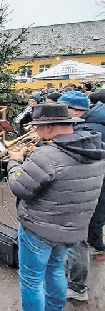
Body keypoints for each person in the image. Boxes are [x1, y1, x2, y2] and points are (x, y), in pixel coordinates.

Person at [7, 102, 105, 311]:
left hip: (40, 228)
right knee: (56, 269)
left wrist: (14, 162)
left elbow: (19, 187)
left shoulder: (47, 155)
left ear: (49, 127)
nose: (35, 130)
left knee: (32, 279)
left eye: (37, 126)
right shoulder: (94, 149)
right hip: (71, 226)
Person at [58, 91, 105, 300]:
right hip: (90, 187)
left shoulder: (91, 130)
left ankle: (77, 287)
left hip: (86, 189)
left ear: (76, 111)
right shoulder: (92, 124)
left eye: (62, 110)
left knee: (77, 239)